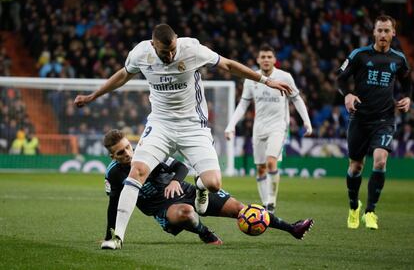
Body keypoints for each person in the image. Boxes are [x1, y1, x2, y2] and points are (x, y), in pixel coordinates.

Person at [74, 24, 292, 248]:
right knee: (137, 171)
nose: (169, 55)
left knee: (214, 184)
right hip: (160, 125)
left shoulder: (192, 49)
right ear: (152, 45)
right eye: (163, 52)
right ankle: (117, 238)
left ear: (177, 40)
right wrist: (93, 96)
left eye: (172, 50)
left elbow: (227, 64)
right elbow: (122, 75)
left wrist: (267, 81)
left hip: (193, 126)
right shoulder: (140, 53)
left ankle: (200, 188)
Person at [100, 129, 314, 249]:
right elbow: (114, 204)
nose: (128, 153)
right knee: (186, 213)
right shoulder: (113, 174)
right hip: (162, 209)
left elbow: (180, 166)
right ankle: (205, 233)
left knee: (241, 209)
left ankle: (291, 229)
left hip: (187, 190)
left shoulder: (148, 152)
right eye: (121, 152)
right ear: (113, 156)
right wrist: (110, 234)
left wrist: (175, 181)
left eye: (128, 147)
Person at [337, 15, 412, 230]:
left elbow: (407, 81)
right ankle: (354, 206)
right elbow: (340, 78)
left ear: (393, 33)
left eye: (387, 31)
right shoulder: (359, 55)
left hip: (385, 118)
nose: (383, 34)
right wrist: (348, 94)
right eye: (379, 30)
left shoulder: (399, 59)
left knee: (380, 161)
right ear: (374, 32)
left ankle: (370, 211)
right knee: (355, 166)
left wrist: (407, 97)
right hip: (360, 118)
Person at [224, 44, 312, 213]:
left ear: (274, 60)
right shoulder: (252, 78)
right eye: (262, 57)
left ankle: (271, 203)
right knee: (260, 168)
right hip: (259, 128)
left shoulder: (284, 77)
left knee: (271, 162)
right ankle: (265, 204)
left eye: (269, 57)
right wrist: (231, 126)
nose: (266, 60)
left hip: (278, 126)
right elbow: (243, 105)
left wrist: (306, 121)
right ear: (258, 60)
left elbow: (297, 99)